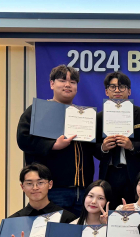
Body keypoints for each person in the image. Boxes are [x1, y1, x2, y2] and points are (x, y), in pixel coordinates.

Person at [16, 65, 94, 215]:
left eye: (72, 82)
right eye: (62, 80)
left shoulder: (83, 115)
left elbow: (91, 148)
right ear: (52, 84)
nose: (67, 85)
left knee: (80, 229)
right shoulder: (37, 110)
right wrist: (52, 145)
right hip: (52, 189)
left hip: (83, 190)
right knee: (52, 229)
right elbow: (23, 139)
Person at [95, 72, 140, 210]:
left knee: (136, 214)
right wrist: (103, 147)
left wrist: (132, 146)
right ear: (106, 91)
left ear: (129, 91)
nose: (117, 90)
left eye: (121, 87)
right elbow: (91, 148)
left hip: (135, 173)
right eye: (113, 87)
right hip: (109, 173)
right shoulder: (99, 118)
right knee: (110, 213)